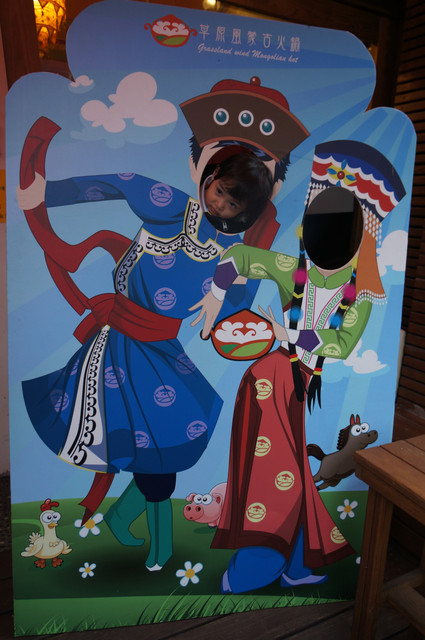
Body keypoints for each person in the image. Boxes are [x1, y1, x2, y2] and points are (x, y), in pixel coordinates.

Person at [16, 76, 310, 572]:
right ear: (207, 175)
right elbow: (121, 181)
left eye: (234, 204)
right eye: (219, 190)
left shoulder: (235, 252)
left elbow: (234, 310)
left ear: (249, 211)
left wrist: (257, 326)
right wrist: (48, 192)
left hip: (163, 354)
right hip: (120, 348)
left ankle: (129, 522)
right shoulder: (172, 206)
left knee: (166, 446)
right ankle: (159, 544)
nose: (220, 205)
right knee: (147, 446)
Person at [191, 140, 406, 593]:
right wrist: (215, 295)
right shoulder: (293, 268)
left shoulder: (361, 297)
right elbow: (238, 257)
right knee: (273, 471)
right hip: (269, 381)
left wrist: (291, 335)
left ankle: (281, 563)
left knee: (280, 473)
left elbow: (341, 345)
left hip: (293, 382)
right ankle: (284, 565)